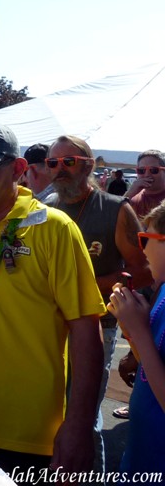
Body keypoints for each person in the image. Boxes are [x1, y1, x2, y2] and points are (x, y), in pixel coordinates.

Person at [0, 122, 105, 475]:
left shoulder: (54, 228)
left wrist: (78, 425)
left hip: (28, 435)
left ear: (18, 170)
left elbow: (85, 330)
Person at [44, 135, 152, 474]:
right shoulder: (46, 209)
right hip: (49, 325)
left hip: (96, 327)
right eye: (52, 163)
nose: (60, 169)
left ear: (89, 165)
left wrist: (94, 283)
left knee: (84, 415)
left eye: (69, 162)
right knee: (54, 412)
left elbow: (145, 273)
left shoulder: (116, 209)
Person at [108, 202, 165, 474]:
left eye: (146, 238)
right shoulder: (161, 292)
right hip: (142, 457)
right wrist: (131, 327)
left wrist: (140, 333)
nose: (142, 249)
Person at [126, 150, 165, 220]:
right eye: (141, 170)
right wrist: (128, 194)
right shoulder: (132, 198)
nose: (147, 174)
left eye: (153, 170)